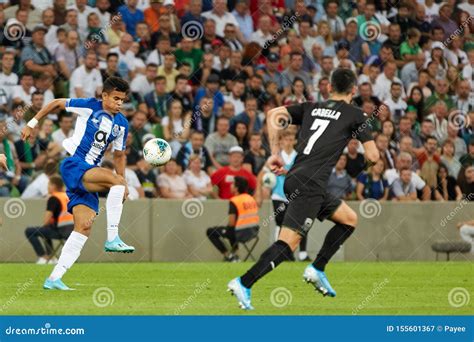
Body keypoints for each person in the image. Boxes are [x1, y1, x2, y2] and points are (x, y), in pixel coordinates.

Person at [227, 68, 379, 310]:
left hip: (297, 177)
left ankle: (317, 268)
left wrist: (275, 153)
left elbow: (274, 114)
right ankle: (244, 283)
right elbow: (373, 154)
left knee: (349, 219)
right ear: (353, 91)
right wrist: (368, 163)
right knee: (288, 244)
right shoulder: (356, 115)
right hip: (310, 184)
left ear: (329, 88)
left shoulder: (311, 106)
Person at [21, 76, 135, 291]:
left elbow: (119, 156)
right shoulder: (89, 106)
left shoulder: (122, 124)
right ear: (104, 96)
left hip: (89, 175)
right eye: (116, 98)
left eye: (123, 100)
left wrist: (123, 183)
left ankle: (54, 279)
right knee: (116, 182)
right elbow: (56, 103)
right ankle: (113, 237)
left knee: (84, 226)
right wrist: (32, 123)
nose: (119, 103)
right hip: (75, 164)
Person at [207, 176, 259, 262]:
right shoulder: (251, 198)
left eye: (232, 184)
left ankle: (230, 256)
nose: (230, 186)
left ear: (236, 188)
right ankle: (235, 255)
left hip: (240, 233)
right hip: (254, 232)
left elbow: (231, 222)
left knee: (211, 231)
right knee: (231, 230)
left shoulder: (235, 200)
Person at [24, 175, 74, 264]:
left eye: (49, 185)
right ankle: (52, 257)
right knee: (47, 230)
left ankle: (44, 257)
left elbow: (46, 221)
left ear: (54, 186)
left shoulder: (54, 198)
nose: (47, 187)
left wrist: (46, 223)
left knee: (29, 231)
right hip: (72, 231)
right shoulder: (67, 196)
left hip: (60, 231)